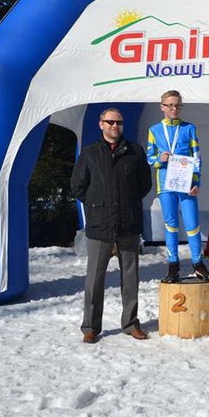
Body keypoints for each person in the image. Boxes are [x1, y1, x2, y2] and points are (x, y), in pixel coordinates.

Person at [71, 108, 152, 343]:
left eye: (118, 122)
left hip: (128, 223)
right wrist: (97, 204)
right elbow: (77, 185)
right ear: (101, 125)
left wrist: (129, 201)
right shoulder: (90, 153)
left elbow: (144, 184)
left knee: (130, 277)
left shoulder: (135, 151)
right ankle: (90, 326)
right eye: (110, 122)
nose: (115, 126)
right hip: (100, 225)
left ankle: (131, 323)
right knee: (94, 278)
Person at [146, 90, 209, 284]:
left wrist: (196, 182)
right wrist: (160, 159)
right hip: (166, 185)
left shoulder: (189, 128)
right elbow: (149, 158)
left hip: (186, 184)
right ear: (162, 107)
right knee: (171, 225)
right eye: (170, 105)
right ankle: (173, 265)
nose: (174, 109)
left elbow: (197, 157)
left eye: (177, 105)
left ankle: (198, 264)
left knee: (192, 225)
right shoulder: (154, 130)